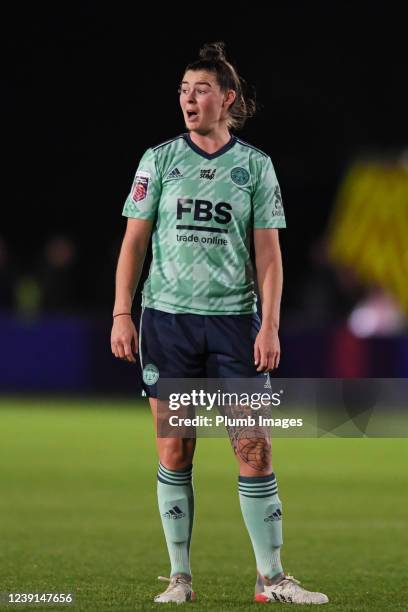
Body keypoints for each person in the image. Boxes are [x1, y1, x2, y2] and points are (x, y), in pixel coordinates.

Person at [111, 42, 328, 605]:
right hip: (169, 322)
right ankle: (180, 577)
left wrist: (271, 325)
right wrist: (121, 312)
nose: (188, 98)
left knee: (253, 446)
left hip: (235, 324)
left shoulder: (255, 166)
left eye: (200, 89)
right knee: (175, 449)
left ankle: (271, 579)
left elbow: (270, 257)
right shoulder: (158, 160)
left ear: (227, 98)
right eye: (183, 90)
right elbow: (134, 244)